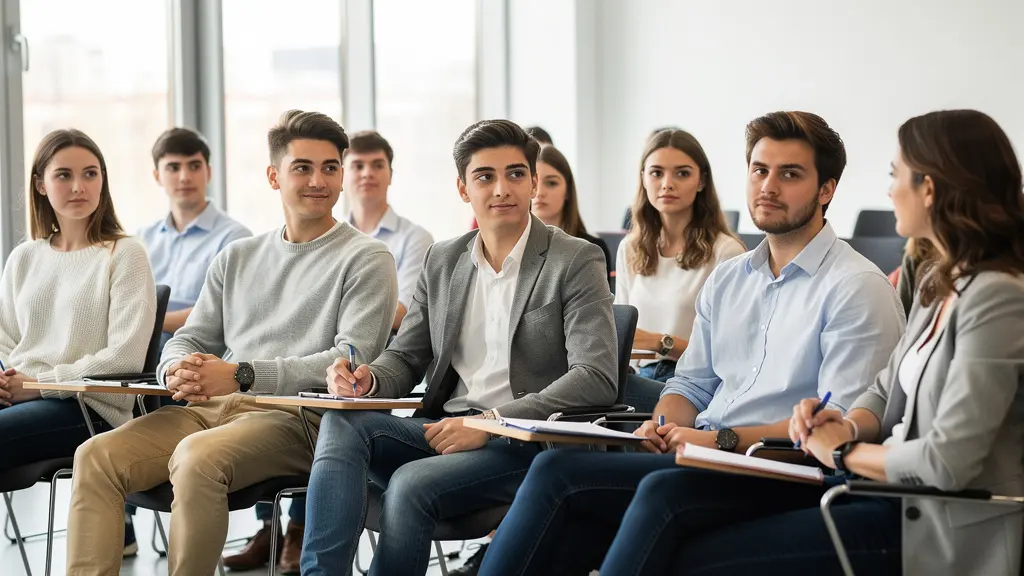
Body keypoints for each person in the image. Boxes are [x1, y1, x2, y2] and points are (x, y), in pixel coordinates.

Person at [592, 109, 1024, 576]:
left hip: (932, 524)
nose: (889, 189)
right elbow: (881, 391)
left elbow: (946, 463)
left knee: (683, 537)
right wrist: (841, 424)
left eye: (895, 174)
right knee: (623, 508)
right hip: (880, 494)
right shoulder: (938, 283)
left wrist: (840, 450)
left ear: (931, 188)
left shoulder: (996, 296)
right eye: (760, 170)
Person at [477, 110, 907, 575]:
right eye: (760, 170)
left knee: (658, 494)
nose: (769, 186)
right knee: (555, 472)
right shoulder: (730, 279)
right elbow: (692, 385)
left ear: (826, 190)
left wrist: (716, 438)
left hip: (786, 470)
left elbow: (837, 425)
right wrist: (659, 426)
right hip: (706, 455)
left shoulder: (855, 286)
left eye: (790, 174)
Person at [65, 110, 398, 576]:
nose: (318, 180)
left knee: (198, 457)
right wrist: (174, 369)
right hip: (210, 410)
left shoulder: (368, 258)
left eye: (330, 167)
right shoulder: (237, 256)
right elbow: (190, 338)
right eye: (302, 167)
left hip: (299, 418)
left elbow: (348, 357)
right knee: (95, 456)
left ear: (341, 176)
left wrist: (242, 374)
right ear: (273, 176)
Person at [300, 119, 618, 576]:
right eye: (485, 176)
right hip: (445, 431)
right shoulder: (444, 259)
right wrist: (368, 377)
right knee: (343, 423)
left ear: (531, 182)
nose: (502, 188)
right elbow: (407, 356)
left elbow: (597, 376)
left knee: (409, 484)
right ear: (463, 188)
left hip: (525, 442)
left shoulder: (575, 258)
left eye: (515, 174)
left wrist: (492, 422)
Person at [0, 129, 156, 553]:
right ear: (40, 184)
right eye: (64, 175)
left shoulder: (124, 253)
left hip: (89, 408)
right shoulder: (24, 258)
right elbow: (5, 341)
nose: (78, 187)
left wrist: (37, 384)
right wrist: (8, 381)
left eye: (90, 174)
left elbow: (124, 355)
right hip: (24, 398)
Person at [616, 129, 746, 411]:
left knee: (609, 392)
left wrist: (659, 343)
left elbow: (731, 358)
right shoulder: (630, 248)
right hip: (636, 376)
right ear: (643, 178)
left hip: (692, 385)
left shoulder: (727, 252)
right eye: (656, 173)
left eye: (682, 174)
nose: (667, 184)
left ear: (702, 181)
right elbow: (619, 331)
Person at [139, 127, 251, 348]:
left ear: (208, 172)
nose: (185, 177)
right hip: (140, 355)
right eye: (173, 167)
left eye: (194, 166)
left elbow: (225, 313)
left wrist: (149, 321)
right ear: (157, 176)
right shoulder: (142, 239)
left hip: (198, 355)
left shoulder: (235, 238)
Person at [346, 130, 434, 331]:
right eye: (358, 165)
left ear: (391, 175)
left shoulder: (416, 239)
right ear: (342, 174)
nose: (367, 173)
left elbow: (404, 313)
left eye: (377, 165)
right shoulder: (330, 236)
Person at [532, 144, 611, 276]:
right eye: (533, 183)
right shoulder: (513, 247)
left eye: (551, 183)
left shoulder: (591, 248)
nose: (540, 192)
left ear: (568, 191)